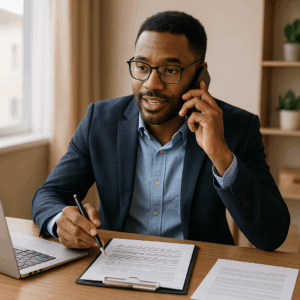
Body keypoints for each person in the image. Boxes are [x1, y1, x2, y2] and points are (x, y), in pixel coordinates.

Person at [31, 11, 290, 251]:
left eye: (170, 70)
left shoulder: (236, 128)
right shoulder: (100, 120)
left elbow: (271, 235)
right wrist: (59, 222)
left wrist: (221, 155)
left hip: (200, 271)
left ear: (200, 74)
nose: (151, 85)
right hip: (116, 265)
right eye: (142, 67)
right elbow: (49, 194)